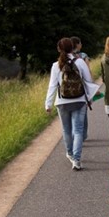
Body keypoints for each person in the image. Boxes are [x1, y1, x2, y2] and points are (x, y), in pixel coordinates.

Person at [45, 37, 99, 170]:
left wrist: (48, 104)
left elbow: (52, 86)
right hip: (79, 100)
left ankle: (69, 153)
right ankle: (77, 159)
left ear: (59, 49)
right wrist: (89, 97)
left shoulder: (55, 65)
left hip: (62, 101)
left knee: (66, 129)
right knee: (78, 130)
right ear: (72, 47)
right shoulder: (80, 62)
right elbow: (88, 81)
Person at [71, 36, 91, 141]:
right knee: (83, 112)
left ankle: (74, 135)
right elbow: (87, 72)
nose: (81, 45)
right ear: (77, 45)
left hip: (68, 89)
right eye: (80, 43)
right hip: (81, 88)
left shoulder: (65, 57)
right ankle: (82, 135)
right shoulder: (83, 56)